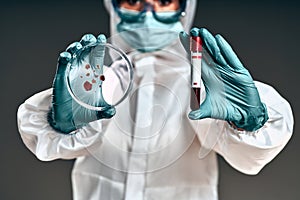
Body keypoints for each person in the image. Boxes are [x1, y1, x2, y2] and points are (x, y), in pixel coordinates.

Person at [17, 0, 294, 199]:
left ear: (184, 8)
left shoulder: (198, 86)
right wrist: (60, 122)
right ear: (113, 6)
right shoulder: (102, 82)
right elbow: (52, 147)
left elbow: (246, 156)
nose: (147, 14)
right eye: (133, 1)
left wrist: (251, 122)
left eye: (163, 1)